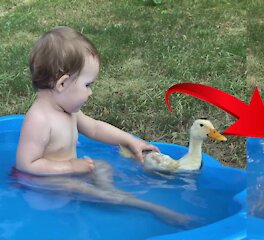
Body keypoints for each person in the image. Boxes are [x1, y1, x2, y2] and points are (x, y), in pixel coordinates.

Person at [14, 26, 190, 226]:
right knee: (84, 189)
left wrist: (130, 140)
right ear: (62, 84)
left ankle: (111, 193)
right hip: (42, 184)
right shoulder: (39, 119)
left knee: (102, 166)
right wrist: (69, 166)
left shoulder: (66, 110)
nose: (90, 93)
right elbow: (26, 165)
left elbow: (95, 128)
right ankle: (145, 207)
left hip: (67, 172)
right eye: (88, 85)